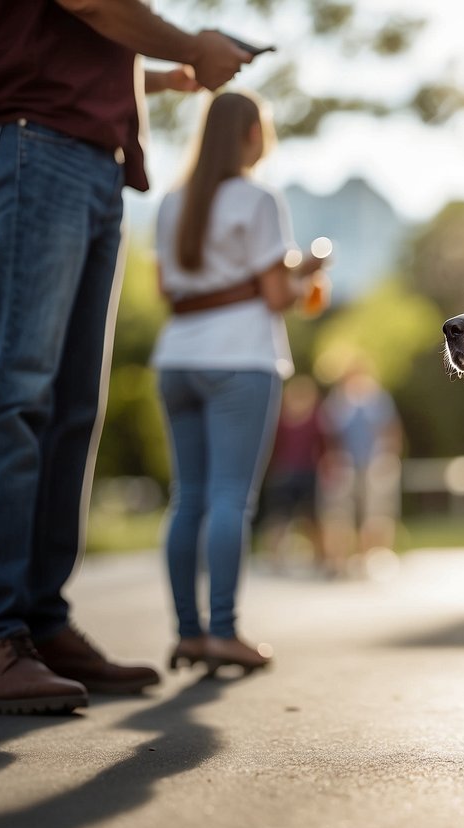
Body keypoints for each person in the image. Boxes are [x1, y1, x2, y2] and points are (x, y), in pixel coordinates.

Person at [0, 0, 252, 715]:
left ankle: (39, 625)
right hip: (29, 138)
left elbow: (59, 38)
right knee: (14, 392)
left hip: (78, 147)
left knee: (70, 407)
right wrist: (195, 45)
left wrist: (165, 74)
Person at [153, 91, 329, 674]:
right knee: (232, 497)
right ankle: (223, 632)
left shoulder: (174, 202)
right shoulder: (259, 198)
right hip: (241, 358)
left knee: (189, 498)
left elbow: (166, 290)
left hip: (176, 355)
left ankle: (187, 632)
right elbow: (277, 296)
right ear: (253, 134)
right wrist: (306, 275)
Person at [320, 359, 403, 575]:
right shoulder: (337, 402)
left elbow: (390, 430)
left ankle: (372, 557)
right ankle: (339, 561)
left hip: (374, 462)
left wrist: (386, 459)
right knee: (339, 514)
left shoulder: (378, 399)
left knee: (377, 512)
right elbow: (328, 436)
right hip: (344, 465)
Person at [258, 374, 331, 575]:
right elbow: (324, 445)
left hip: (286, 472)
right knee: (307, 519)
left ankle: (276, 559)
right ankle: (320, 560)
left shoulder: (282, 417)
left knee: (283, 518)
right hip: (303, 471)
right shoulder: (314, 417)